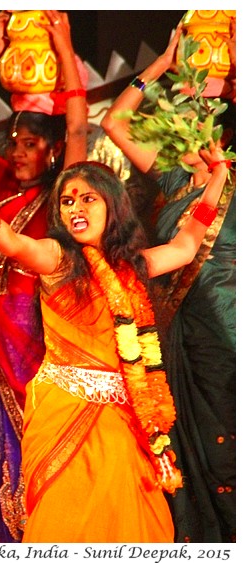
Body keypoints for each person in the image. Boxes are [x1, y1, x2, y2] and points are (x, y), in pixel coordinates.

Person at [0, 155, 228, 542]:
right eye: (67, 201)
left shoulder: (131, 267)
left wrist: (217, 182)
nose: (75, 208)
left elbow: (185, 247)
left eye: (87, 199)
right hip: (66, 409)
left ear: (112, 205)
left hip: (123, 414)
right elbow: (11, 242)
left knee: (138, 514)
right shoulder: (58, 258)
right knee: (72, 517)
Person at [0, 10, 88, 542]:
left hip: (37, 336)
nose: (17, 150)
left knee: (35, 443)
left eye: (31, 143)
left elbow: (77, 124)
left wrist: (63, 43)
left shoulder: (63, 191)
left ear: (51, 149)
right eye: (13, 141)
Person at [100, 19, 236, 542]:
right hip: (176, 326)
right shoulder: (174, 177)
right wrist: (160, 64)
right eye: (180, 117)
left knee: (225, 429)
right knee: (185, 441)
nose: (185, 124)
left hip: (225, 321)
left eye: (197, 115)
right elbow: (114, 122)